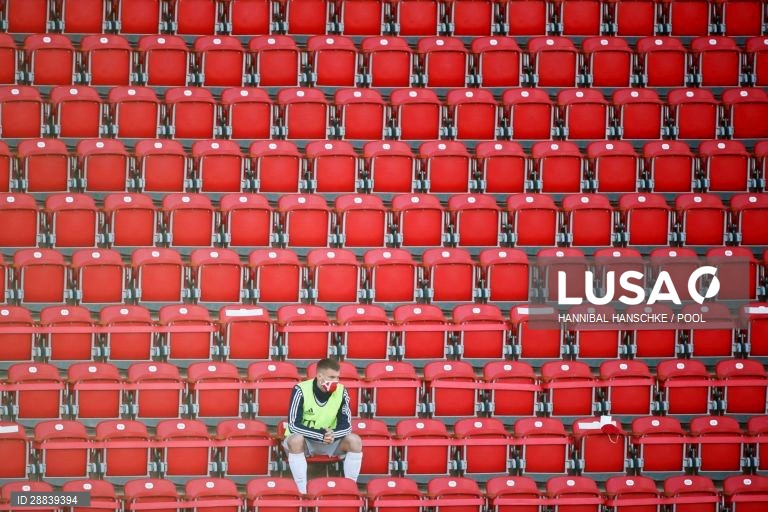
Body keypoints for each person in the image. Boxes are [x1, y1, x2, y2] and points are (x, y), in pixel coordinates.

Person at [284, 358, 362, 494]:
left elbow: (347, 425)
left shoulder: (342, 391)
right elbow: (293, 425)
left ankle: (351, 489)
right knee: (295, 439)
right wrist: (321, 435)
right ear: (320, 376)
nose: (336, 381)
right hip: (305, 441)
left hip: (330, 440)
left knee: (355, 440)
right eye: (332, 377)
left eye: (337, 377)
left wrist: (332, 435)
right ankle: (302, 492)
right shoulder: (301, 389)